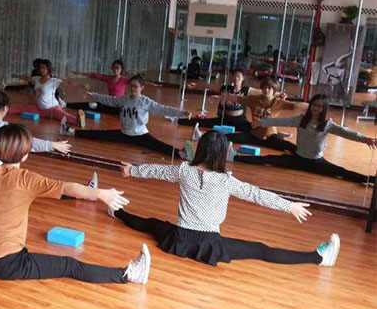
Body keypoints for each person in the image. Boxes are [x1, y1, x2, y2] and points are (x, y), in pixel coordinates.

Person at [0, 123, 151, 284]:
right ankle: (129, 274)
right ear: (25, 155)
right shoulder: (26, 180)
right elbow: (67, 188)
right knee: (69, 265)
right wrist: (101, 193)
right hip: (8, 265)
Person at [112, 130, 340, 267]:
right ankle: (319, 258)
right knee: (260, 250)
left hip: (180, 239)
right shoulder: (226, 181)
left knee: (151, 224)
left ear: (200, 150)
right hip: (210, 243)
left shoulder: (183, 171)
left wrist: (132, 170)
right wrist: (289, 206)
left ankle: (115, 210)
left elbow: (157, 171)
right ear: (222, 155)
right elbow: (257, 194)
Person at [236, 94, 376, 184]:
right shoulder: (300, 120)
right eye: (315, 105)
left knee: (342, 173)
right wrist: (261, 122)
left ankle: (371, 180)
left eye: (320, 106)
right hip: (298, 158)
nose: (316, 108)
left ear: (324, 109)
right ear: (310, 105)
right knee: (267, 160)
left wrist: (365, 139)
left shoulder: (327, 125)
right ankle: (236, 158)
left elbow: (346, 133)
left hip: (317, 162)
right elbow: (280, 121)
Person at [62, 74, 193, 160]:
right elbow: (110, 100)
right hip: (124, 133)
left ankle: (180, 154)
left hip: (140, 135)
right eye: (131, 86)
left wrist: (182, 113)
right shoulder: (124, 99)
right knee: (100, 134)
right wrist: (94, 95)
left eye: (136, 87)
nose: (133, 89)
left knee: (158, 146)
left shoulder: (145, 102)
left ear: (142, 87)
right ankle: (71, 132)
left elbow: (163, 109)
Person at [222, 77, 304, 153]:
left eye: (269, 88)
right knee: (227, 137)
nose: (266, 90)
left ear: (274, 90)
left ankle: (281, 137)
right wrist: (221, 97)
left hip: (269, 136)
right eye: (264, 88)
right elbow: (237, 98)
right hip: (254, 135)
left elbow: (296, 106)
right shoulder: (254, 99)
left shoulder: (278, 102)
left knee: (290, 147)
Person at [8, 59, 86, 127]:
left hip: (52, 108)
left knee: (64, 116)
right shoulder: (37, 79)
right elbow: (26, 78)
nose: (41, 70)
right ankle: (4, 109)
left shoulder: (53, 81)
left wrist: (80, 86)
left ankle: (78, 121)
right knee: (22, 109)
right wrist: (16, 76)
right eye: (40, 68)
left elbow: (68, 84)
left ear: (48, 69)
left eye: (44, 68)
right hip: (40, 109)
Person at [179, 70, 258, 133]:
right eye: (235, 76)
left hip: (240, 121)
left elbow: (261, 92)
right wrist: (196, 85)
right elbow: (210, 86)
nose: (236, 78)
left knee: (253, 129)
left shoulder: (246, 90)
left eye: (238, 77)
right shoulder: (226, 88)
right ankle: (180, 120)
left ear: (243, 78)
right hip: (224, 120)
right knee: (202, 122)